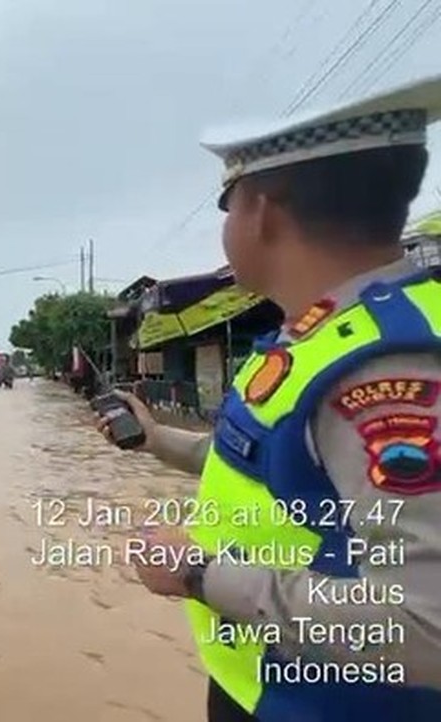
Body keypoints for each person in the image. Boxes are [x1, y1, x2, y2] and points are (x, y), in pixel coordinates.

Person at [99, 76, 441, 720]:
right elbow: (282, 474)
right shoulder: (316, 334)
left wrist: (199, 575)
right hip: (261, 681)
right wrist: (157, 440)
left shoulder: (388, 370)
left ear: (262, 211)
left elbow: (423, 625)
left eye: (227, 205)